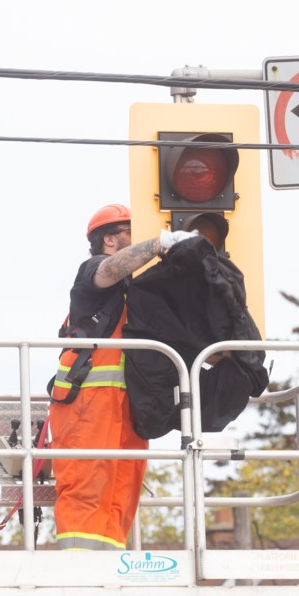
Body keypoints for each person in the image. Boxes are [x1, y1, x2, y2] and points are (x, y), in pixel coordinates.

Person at [48, 203, 196, 550]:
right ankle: (80, 571)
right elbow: (112, 270)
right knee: (87, 487)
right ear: (110, 240)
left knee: (121, 489)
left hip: (129, 407)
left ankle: (109, 566)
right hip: (88, 404)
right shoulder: (94, 272)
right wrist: (160, 243)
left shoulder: (141, 291)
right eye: (132, 232)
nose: (139, 241)